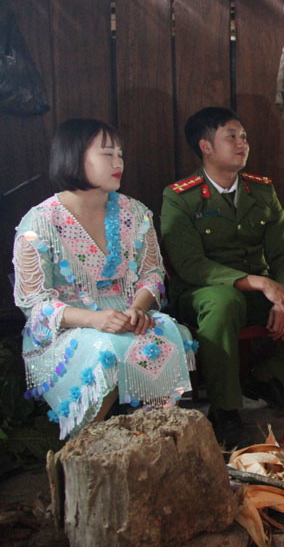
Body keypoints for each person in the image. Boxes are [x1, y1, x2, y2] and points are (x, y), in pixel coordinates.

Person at [161, 107, 284, 448]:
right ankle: (225, 410)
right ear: (206, 146)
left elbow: (282, 251)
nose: (242, 144)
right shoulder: (180, 196)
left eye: (244, 137)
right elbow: (190, 264)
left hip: (263, 291)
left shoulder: (260, 191)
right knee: (222, 304)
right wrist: (263, 284)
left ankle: (266, 378)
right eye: (231, 137)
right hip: (205, 293)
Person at [14, 119, 196, 439]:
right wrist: (95, 319)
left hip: (126, 315)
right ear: (74, 157)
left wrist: (138, 309)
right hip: (68, 327)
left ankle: (158, 440)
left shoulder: (136, 212)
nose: (118, 163)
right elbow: (35, 305)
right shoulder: (39, 221)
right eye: (107, 154)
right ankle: (87, 447)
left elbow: (151, 274)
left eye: (121, 155)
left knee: (164, 330)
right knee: (107, 348)